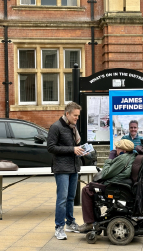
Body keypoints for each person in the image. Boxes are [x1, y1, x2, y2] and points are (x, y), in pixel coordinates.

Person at [78, 139, 136, 233]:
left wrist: (110, 159)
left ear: (124, 150)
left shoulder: (122, 158)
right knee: (91, 186)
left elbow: (105, 173)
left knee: (87, 189)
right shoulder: (131, 156)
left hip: (114, 185)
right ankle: (94, 220)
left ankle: (90, 223)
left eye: (117, 147)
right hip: (118, 182)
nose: (115, 149)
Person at [47, 102, 86, 240]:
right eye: (75, 115)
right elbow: (51, 147)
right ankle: (59, 227)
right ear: (67, 114)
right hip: (62, 168)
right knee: (62, 199)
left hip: (74, 166)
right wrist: (72, 149)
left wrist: (81, 151)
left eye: (78, 116)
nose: (77, 118)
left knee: (70, 198)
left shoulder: (72, 127)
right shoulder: (56, 127)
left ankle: (70, 223)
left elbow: (73, 146)